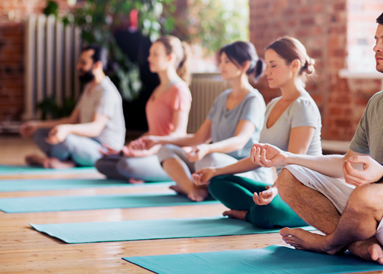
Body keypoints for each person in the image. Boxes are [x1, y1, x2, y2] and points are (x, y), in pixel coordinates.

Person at [252, 7, 383, 265]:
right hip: (379, 207)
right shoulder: (377, 102)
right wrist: (287, 158)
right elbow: (346, 163)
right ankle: (360, 244)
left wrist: (382, 173)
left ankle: (329, 243)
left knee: (369, 193)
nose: (376, 48)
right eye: (375, 40)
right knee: (289, 176)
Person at [192, 36, 322, 229]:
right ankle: (256, 209)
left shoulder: (303, 106)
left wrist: (276, 190)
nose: (267, 71)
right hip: (279, 189)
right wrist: (216, 171)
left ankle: (250, 214)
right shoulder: (273, 105)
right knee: (218, 183)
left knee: (267, 211)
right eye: (267, 65)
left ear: (294, 65)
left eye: (273, 65)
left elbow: (293, 164)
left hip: (306, 193)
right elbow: (257, 157)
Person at [141, 41, 267, 201]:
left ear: (244, 65)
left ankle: (193, 185)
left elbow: (239, 141)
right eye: (221, 61)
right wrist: (158, 140)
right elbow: (198, 138)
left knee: (207, 159)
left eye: (227, 61)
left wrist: (207, 149)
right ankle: (192, 188)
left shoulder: (253, 99)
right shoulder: (222, 98)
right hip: (216, 163)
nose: (221, 65)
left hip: (242, 167)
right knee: (166, 150)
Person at [95, 36, 192, 182]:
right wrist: (127, 148)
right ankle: (142, 171)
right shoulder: (158, 90)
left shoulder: (179, 90)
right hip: (152, 152)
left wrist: (148, 153)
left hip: (168, 156)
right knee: (102, 163)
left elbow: (179, 134)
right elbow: (153, 132)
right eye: (150, 53)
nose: (149, 58)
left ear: (170, 58)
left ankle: (151, 172)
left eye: (155, 54)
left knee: (127, 165)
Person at [19, 44, 126, 169]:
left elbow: (95, 128)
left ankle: (57, 161)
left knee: (67, 140)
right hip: (84, 142)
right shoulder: (89, 88)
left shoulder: (107, 92)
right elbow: (72, 120)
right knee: (39, 133)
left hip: (103, 151)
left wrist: (67, 130)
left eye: (83, 63)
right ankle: (65, 162)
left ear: (97, 65)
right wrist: (37, 124)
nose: (78, 66)